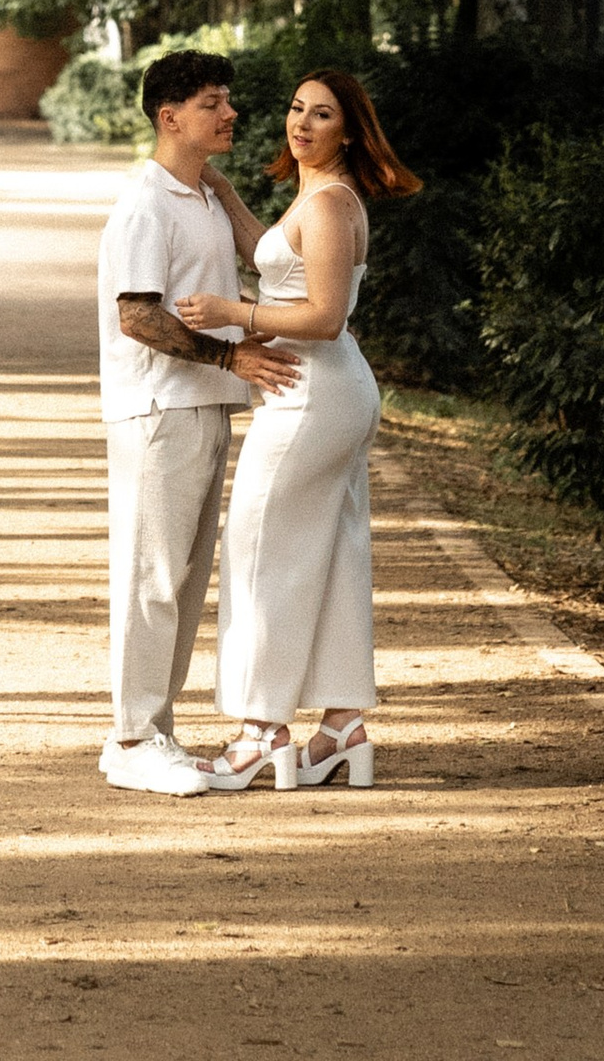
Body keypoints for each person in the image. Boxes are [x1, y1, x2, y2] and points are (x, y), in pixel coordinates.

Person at [177, 65, 421, 791]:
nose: (301, 124)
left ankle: (260, 732)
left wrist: (233, 313)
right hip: (324, 392)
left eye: (321, 115)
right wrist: (222, 189)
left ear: (350, 131)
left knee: (260, 551)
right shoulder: (315, 197)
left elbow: (325, 315)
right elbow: (274, 259)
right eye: (296, 108)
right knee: (333, 552)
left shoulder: (331, 204)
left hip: (312, 395)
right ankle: (341, 727)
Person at [94, 46, 298, 797]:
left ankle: (156, 732)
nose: (230, 113)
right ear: (169, 116)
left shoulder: (203, 196)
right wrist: (229, 357)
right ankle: (130, 739)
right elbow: (137, 316)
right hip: (157, 410)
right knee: (150, 577)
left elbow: (271, 261)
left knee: (181, 582)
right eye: (212, 103)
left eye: (227, 100)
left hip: (203, 405)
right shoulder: (145, 204)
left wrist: (223, 187)